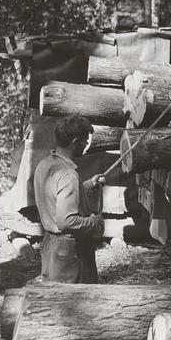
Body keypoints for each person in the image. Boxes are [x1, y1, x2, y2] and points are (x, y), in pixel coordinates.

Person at [33, 115, 106, 283]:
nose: (86, 146)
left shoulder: (45, 164)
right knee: (79, 301)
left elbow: (55, 195)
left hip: (50, 245)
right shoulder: (68, 175)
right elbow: (67, 221)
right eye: (85, 141)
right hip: (70, 251)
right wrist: (95, 222)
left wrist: (88, 184)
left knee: (51, 298)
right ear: (75, 141)